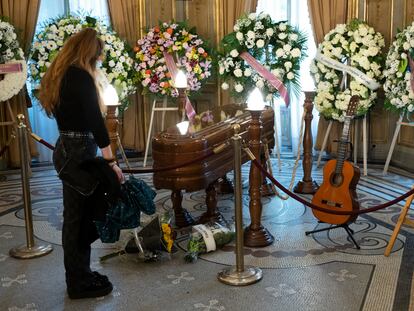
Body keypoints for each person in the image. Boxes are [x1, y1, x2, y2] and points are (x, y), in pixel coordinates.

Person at [39, 28, 124, 299]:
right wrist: (110, 161)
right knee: (79, 220)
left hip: (68, 151)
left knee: (76, 218)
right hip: (78, 155)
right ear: (89, 52)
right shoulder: (80, 77)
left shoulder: (62, 74)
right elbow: (96, 123)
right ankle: (77, 281)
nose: (99, 61)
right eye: (98, 56)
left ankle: (79, 275)